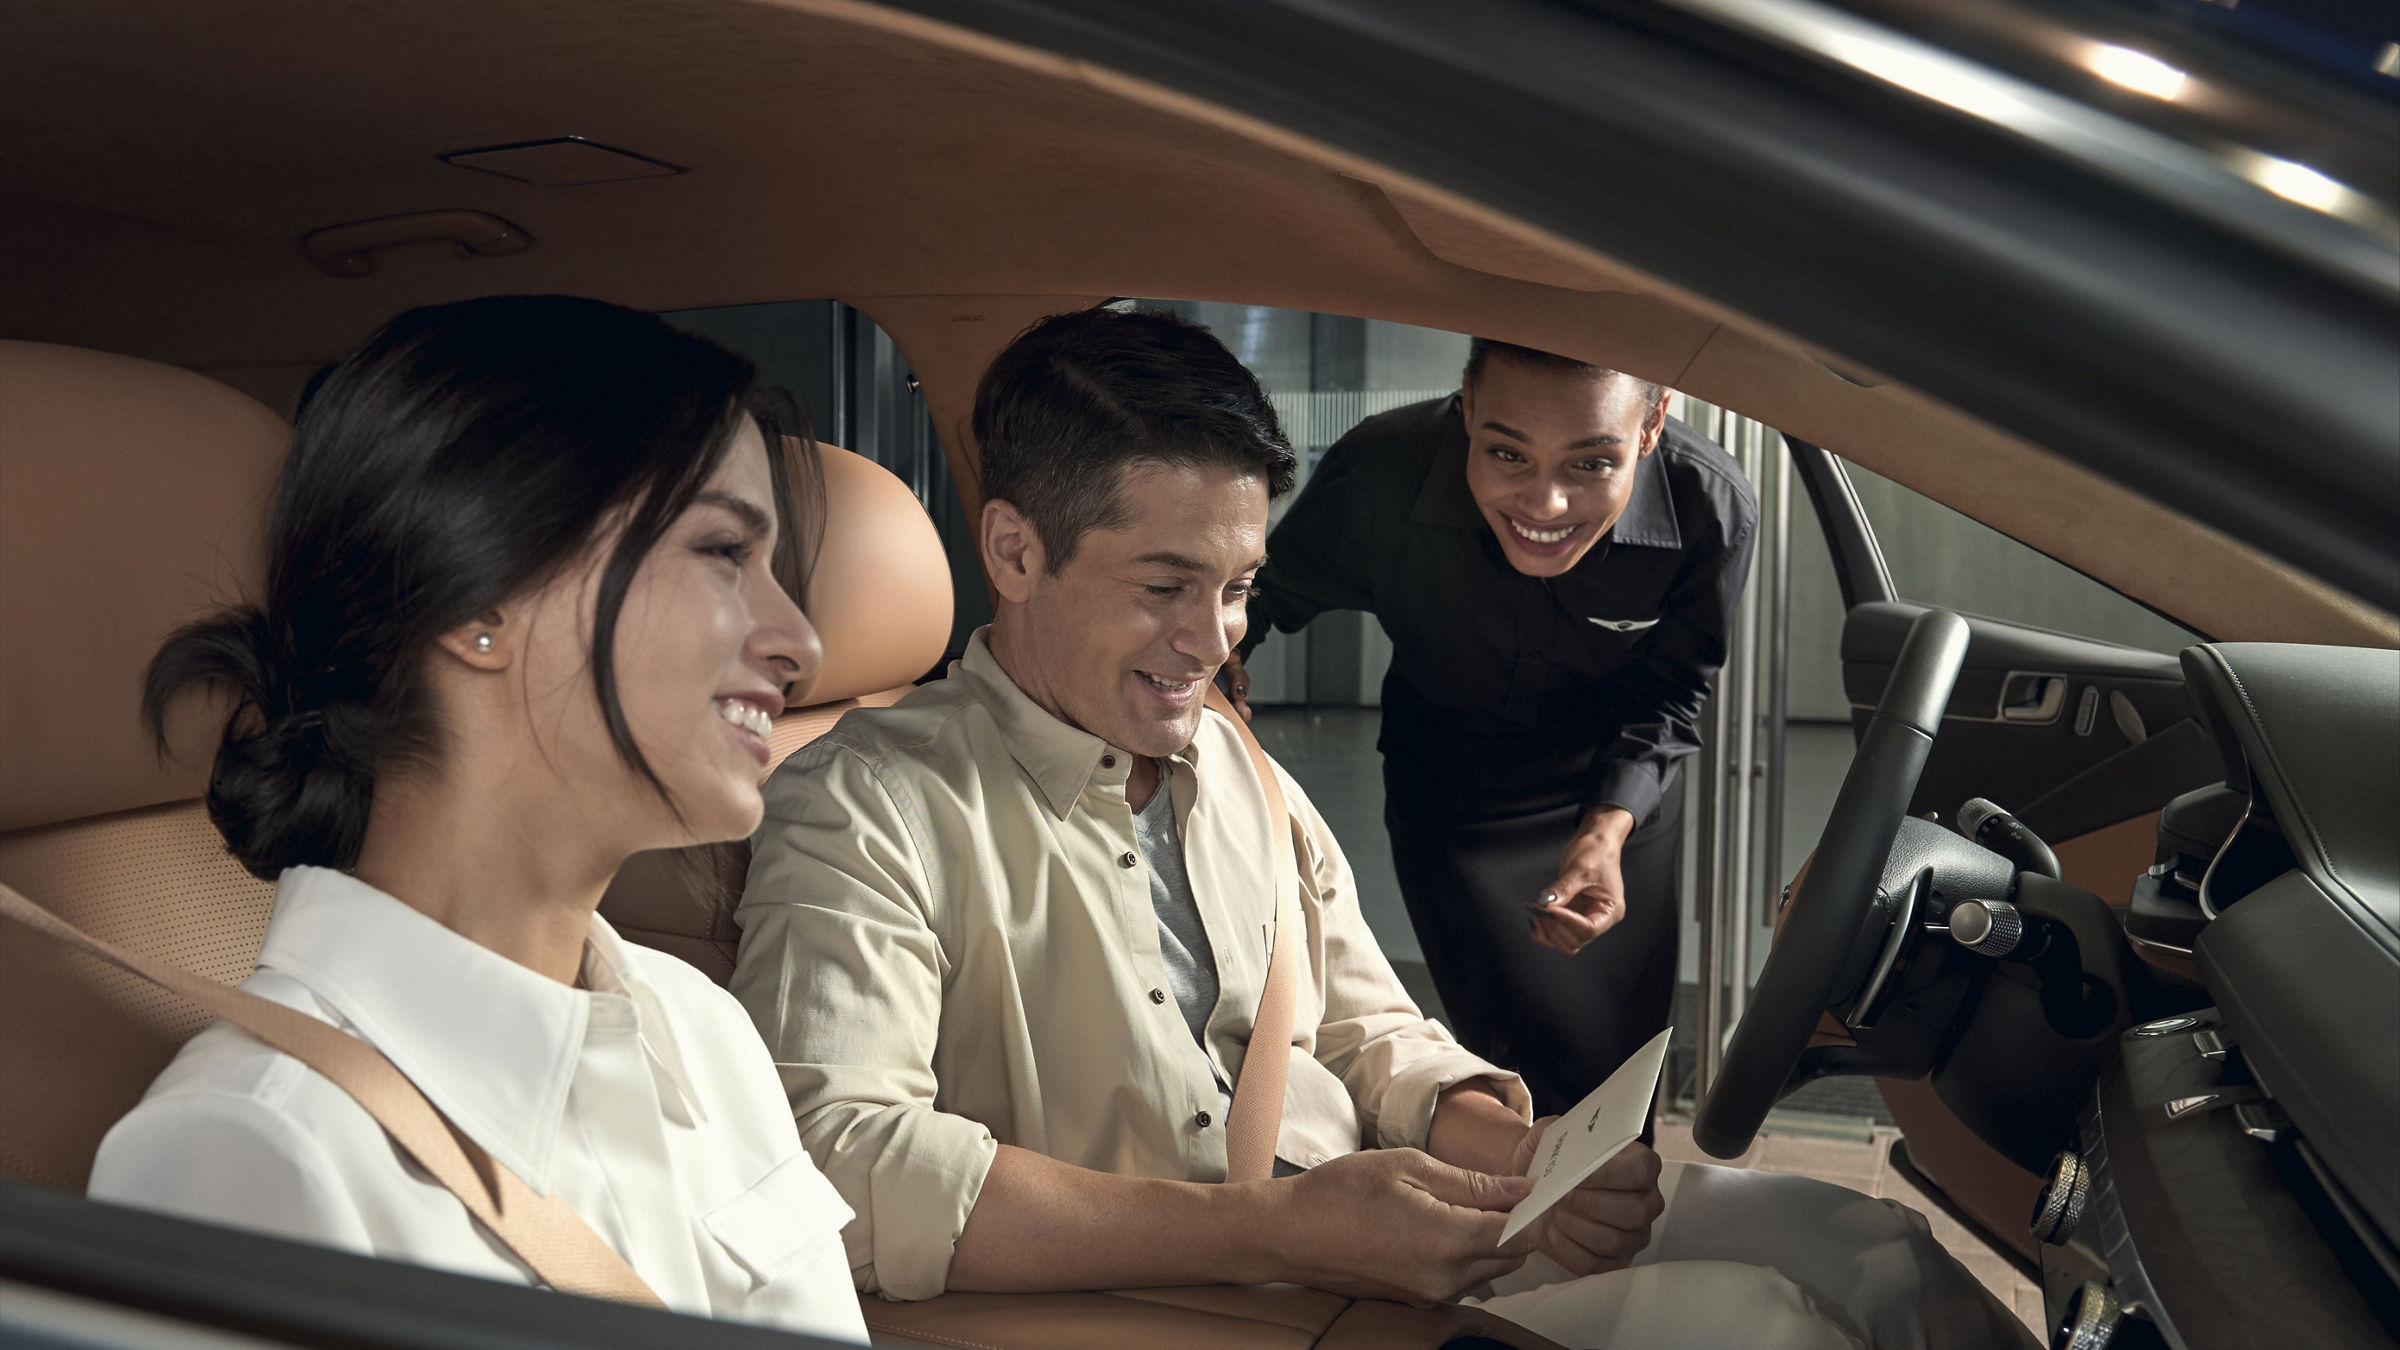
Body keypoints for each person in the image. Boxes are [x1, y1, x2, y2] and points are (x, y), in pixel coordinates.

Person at [733, 306, 2037, 1349]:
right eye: (1165, 586)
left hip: (1377, 1240)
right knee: (1771, 1328)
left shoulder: (1236, 769)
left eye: (1240, 587)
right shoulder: (865, 802)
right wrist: (1275, 1233)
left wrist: (1514, 1154)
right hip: (1229, 1298)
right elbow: (842, 1161)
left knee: (1885, 1255)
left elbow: (1367, 1028)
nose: (1213, 642)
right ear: (1013, 552)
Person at [87, 296, 869, 1343]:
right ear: (476, 602)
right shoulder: (250, 1150)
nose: (802, 643)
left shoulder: (704, 1031)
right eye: (725, 551)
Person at [1225, 341, 1753, 1118]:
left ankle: (1603, 1230)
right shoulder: (1385, 468)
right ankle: (1501, 1227)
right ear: (1466, 403)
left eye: (1591, 464)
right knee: (1496, 1060)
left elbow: (1673, 689)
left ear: (1652, 423)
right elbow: (1251, 600)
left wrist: (1607, 831)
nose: (1545, 505)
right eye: (1507, 453)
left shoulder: (1709, 504)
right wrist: (1217, 697)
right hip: (1448, 788)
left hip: (1612, 794)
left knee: (1615, 1081)